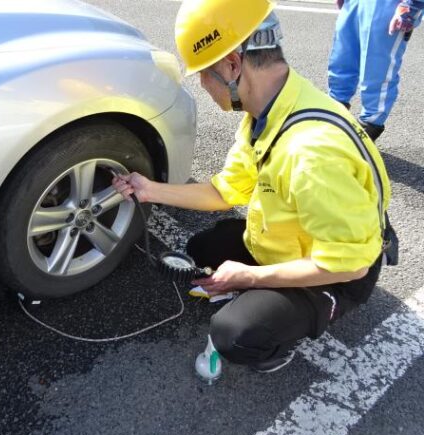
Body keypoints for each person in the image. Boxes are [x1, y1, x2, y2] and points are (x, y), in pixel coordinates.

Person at [113, 0, 391, 373]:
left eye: (204, 74)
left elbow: (350, 263)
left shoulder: (312, 155)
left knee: (236, 333)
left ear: (231, 64)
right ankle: (260, 287)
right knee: (200, 248)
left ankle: (275, 345)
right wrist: (149, 190)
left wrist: (250, 277)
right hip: (296, 240)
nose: (204, 86)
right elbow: (226, 191)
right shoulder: (272, 109)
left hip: (341, 270)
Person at [329, 0, 424, 142]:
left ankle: (368, 127)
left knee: (377, 68)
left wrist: (411, 6)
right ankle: (335, 113)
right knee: (342, 59)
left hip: (388, 6)